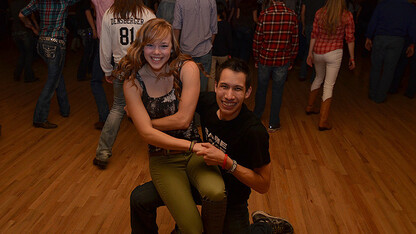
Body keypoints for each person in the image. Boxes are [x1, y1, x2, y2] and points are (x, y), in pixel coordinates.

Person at [130, 59, 294, 234]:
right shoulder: (208, 102)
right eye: (224, 86)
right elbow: (175, 106)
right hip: (199, 178)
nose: (229, 96)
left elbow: (263, 185)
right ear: (215, 86)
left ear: (248, 92)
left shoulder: (254, 132)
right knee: (139, 198)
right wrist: (138, 111)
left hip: (232, 197)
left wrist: (227, 162)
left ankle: (265, 225)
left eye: (237, 89)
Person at [117, 18, 227, 234]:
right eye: (150, 45)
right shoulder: (132, 82)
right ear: (141, 46)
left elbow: (183, 119)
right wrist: (145, 129)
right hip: (163, 159)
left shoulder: (187, 68)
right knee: (193, 229)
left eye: (163, 45)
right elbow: (147, 136)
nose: (156, 52)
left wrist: (143, 123)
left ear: (173, 47)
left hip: (195, 153)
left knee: (216, 192)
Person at [93, 0, 155, 169]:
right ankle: (161, 149)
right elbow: (154, 44)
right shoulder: (147, 14)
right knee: (152, 107)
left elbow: (104, 45)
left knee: (118, 107)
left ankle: (102, 153)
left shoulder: (110, 14)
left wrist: (107, 70)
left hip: (121, 67)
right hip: (143, 67)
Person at [20, 0, 80, 129]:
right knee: (52, 82)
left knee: (57, 76)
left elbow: (21, 14)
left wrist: (30, 26)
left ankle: (65, 109)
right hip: (55, 45)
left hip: (42, 43)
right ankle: (39, 118)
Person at [305, 0, 355, 131]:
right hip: (334, 52)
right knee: (328, 85)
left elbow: (314, 34)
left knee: (318, 78)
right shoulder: (346, 15)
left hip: (319, 51)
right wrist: (352, 57)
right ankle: (323, 121)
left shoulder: (320, 13)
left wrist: (310, 53)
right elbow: (350, 38)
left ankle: (310, 106)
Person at [252, 0, 299, 132]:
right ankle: (273, 123)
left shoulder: (264, 14)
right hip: (283, 60)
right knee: (277, 92)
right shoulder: (292, 15)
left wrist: (256, 58)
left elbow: (257, 39)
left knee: (261, 89)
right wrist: (292, 60)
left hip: (265, 59)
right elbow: (294, 41)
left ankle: (256, 117)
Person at [365, 0, 416, 103]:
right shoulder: (410, 7)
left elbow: (373, 21)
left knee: (376, 67)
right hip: (398, 40)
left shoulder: (382, 4)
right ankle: (380, 97)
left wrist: (368, 36)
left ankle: (372, 93)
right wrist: (412, 43)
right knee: (389, 70)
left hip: (380, 37)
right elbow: (412, 27)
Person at [172, 0, 217, 92]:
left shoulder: (180, 1)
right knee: (202, 91)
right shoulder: (211, 1)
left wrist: (175, 49)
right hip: (205, 50)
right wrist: (209, 45)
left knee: (184, 89)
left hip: (185, 51)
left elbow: (176, 27)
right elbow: (214, 29)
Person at [90, 0, 113, 129]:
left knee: (96, 81)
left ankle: (104, 118)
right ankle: (131, 113)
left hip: (104, 43)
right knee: (125, 80)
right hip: (119, 41)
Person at [10, 0, 38, 83]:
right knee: (29, 54)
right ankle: (28, 77)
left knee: (22, 53)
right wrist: (33, 27)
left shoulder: (12, 3)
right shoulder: (27, 2)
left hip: (15, 31)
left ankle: (17, 75)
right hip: (25, 31)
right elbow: (29, 17)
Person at [299, 0, 326, 81]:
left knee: (308, 49)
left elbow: (303, 12)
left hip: (308, 26)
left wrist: (304, 26)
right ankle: (314, 77)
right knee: (316, 51)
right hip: (319, 27)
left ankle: (302, 74)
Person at [208, 1, 232, 92]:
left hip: (212, 52)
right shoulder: (226, 25)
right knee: (223, 74)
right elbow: (229, 40)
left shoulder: (210, 24)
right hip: (223, 53)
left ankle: (211, 93)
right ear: (223, 12)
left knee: (211, 75)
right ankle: (223, 90)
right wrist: (230, 52)